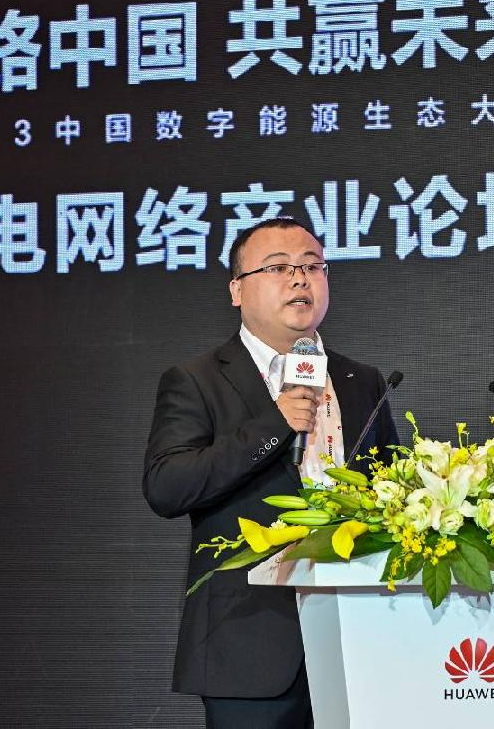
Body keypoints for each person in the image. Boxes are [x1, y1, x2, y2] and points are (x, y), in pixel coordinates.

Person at [143, 217, 399, 729]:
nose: (300, 278)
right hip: (250, 643)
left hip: (362, 637)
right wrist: (273, 425)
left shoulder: (362, 380)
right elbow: (167, 486)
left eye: (312, 266)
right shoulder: (197, 380)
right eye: (279, 267)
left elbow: (392, 485)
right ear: (237, 290)